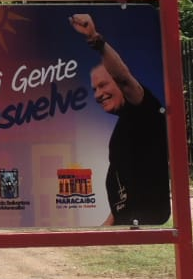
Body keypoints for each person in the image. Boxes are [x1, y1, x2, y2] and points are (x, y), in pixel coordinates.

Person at [70, 13, 170, 226]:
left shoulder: (144, 110)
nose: (98, 94)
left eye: (103, 85)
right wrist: (102, 232)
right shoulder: (123, 128)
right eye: (95, 89)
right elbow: (123, 202)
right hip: (130, 225)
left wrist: (96, 40)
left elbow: (124, 78)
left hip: (145, 225)